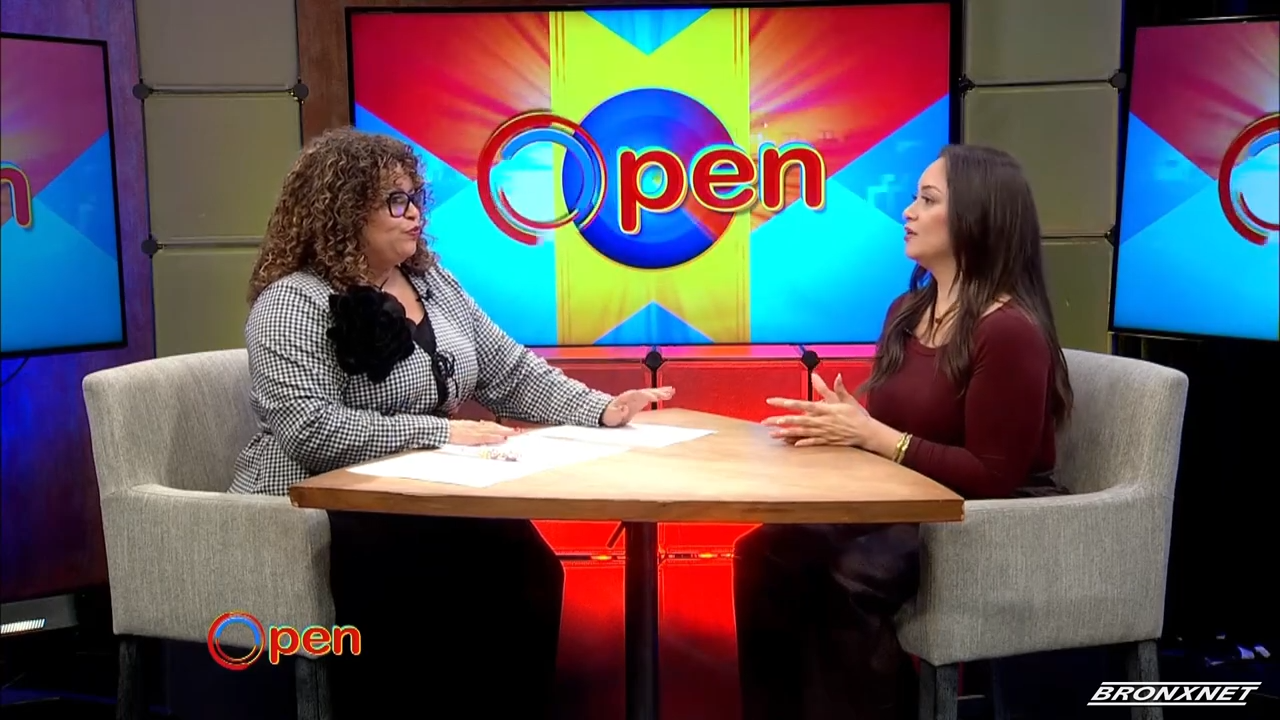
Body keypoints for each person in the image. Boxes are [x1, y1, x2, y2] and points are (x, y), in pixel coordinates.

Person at [229, 127, 674, 718]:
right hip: (316, 506)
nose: (414, 214)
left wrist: (598, 407)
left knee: (523, 566)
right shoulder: (293, 302)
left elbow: (507, 369)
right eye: (395, 200)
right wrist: (437, 433)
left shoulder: (431, 284)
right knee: (436, 584)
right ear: (341, 210)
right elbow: (311, 430)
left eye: (416, 197)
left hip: (418, 493)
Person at [734, 144, 1074, 720]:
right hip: (906, 504)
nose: (908, 212)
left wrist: (872, 435)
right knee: (767, 549)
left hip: (981, 522)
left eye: (928, 199)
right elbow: (895, 428)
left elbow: (992, 477)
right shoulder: (907, 310)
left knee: (841, 575)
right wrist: (841, 425)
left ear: (978, 217)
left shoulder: (1008, 332)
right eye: (915, 198)